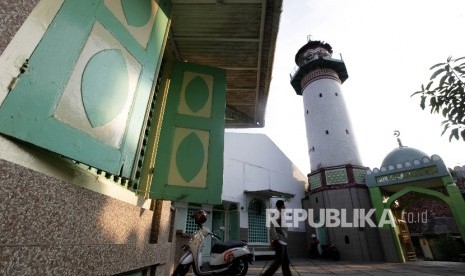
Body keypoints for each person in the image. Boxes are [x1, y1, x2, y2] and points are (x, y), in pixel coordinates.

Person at [262, 200, 292, 276]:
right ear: (282, 206)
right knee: (278, 262)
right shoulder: (277, 214)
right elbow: (271, 225)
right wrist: (275, 238)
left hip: (283, 241)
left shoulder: (280, 214)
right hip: (280, 241)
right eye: (284, 205)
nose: (285, 207)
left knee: (285, 262)